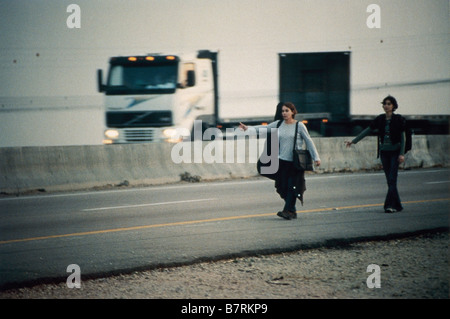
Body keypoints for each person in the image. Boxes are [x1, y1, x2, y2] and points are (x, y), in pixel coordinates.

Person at [239, 102, 321, 220]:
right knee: (283, 186)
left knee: (291, 186)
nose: (284, 113)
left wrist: (316, 157)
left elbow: (309, 141)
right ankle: (292, 210)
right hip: (282, 162)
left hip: (295, 162)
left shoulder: (299, 126)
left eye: (287, 111)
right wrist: (248, 128)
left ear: (293, 112)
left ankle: (288, 211)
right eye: (282, 111)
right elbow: (264, 128)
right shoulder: (278, 124)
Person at [345, 95, 406, 213]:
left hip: (395, 152)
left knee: (392, 179)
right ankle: (398, 205)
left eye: (388, 104)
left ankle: (389, 205)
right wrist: (354, 141)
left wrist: (402, 154)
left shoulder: (399, 119)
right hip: (384, 153)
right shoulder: (380, 119)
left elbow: (403, 138)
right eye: (384, 104)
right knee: (390, 180)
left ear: (393, 106)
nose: (386, 106)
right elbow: (368, 130)